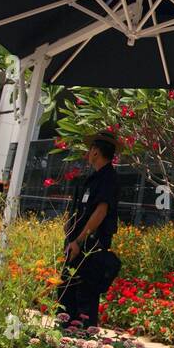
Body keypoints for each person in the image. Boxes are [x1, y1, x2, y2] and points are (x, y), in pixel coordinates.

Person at [57, 132, 120, 331]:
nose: (88, 152)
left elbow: (101, 210)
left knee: (84, 296)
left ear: (96, 152)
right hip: (79, 246)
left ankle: (80, 342)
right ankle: (65, 335)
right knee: (67, 292)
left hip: (90, 248)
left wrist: (80, 240)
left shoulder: (108, 178)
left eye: (91, 148)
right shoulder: (94, 178)